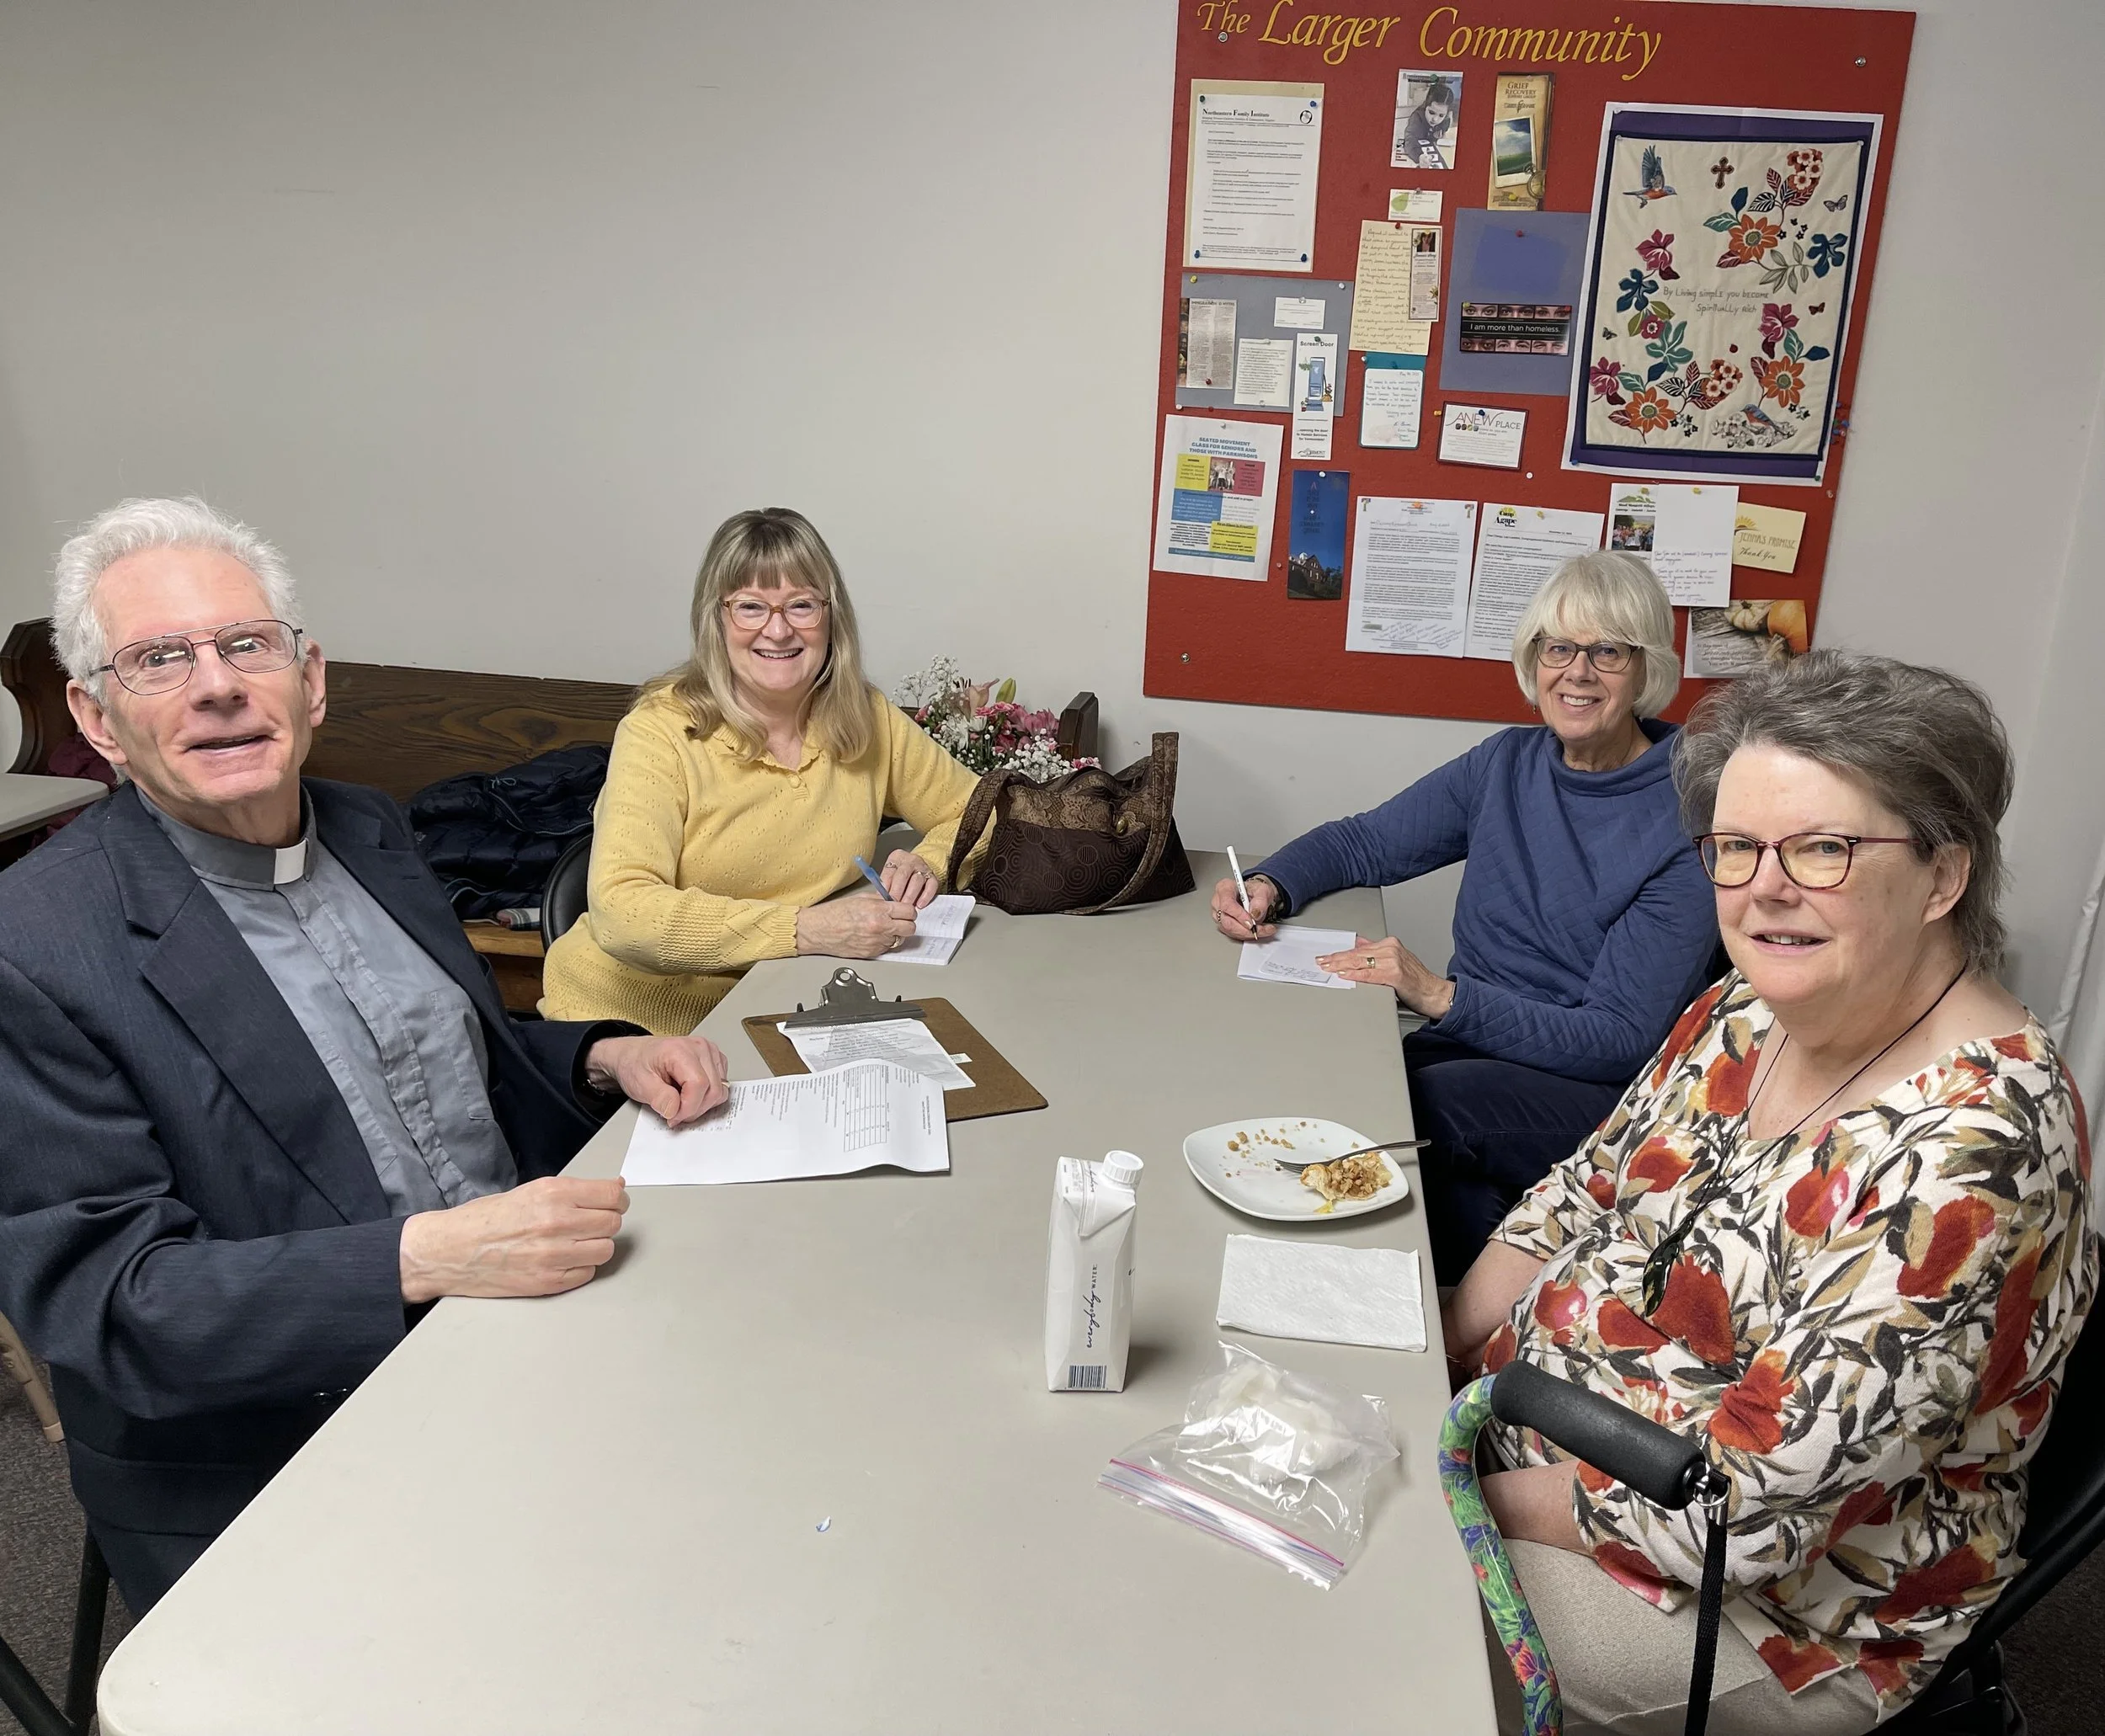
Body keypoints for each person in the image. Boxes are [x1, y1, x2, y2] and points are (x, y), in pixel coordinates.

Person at [0, 498, 732, 1612]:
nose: (216, 683)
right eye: (157, 659)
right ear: (98, 720)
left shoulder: (368, 829)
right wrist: (428, 1258)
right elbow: (115, 1301)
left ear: (312, 680)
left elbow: (438, 1067)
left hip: (514, 1337)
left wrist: (596, 1059)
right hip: (281, 1440)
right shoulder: (37, 945)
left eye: (247, 643)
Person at [1442, 650, 2095, 1735]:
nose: (1763, 889)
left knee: (1382, 1633)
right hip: (1536, 1441)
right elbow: (1584, 1191)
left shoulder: (1970, 1159)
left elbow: (1733, 1508)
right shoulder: (1743, 1010)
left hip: (1773, 1609)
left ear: (1943, 874)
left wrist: (1451, 1495)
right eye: (1736, 847)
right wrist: (1441, 1351)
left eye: (1824, 848)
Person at [1212, 552, 1717, 1281]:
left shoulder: (1688, 819)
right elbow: (1366, 841)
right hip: (1473, 1047)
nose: (1577, 672)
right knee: (1366, 1102)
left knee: (1417, 1108)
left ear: (1646, 670)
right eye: (1559, 647)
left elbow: (1618, 1038)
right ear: (1534, 658)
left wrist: (1439, 997)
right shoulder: (1506, 764)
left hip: (1601, 1091)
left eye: (1607, 651)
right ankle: (1500, 1292)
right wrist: (1271, 883)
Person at [541, 507, 984, 1034]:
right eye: (751, 607)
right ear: (717, 619)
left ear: (830, 615)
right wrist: (806, 930)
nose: (778, 630)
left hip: (773, 1002)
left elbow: (984, 809)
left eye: (801, 605)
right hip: (635, 1019)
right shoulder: (659, 732)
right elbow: (623, 912)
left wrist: (930, 863)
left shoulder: (864, 716)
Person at [1399, 78, 1458, 169]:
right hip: (1419, 151)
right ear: (1426, 106)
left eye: (1441, 115)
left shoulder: (1445, 119)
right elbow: (1409, 139)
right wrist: (1419, 156)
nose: (1435, 119)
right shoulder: (1417, 118)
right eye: (1431, 112)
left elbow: (1446, 122)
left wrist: (1442, 130)